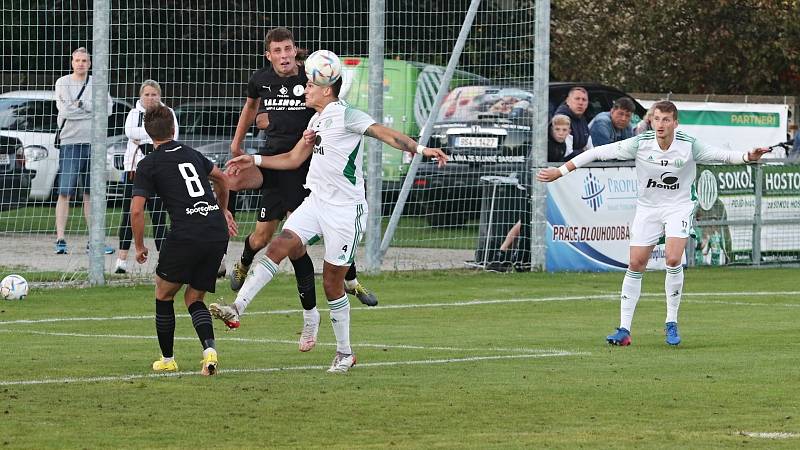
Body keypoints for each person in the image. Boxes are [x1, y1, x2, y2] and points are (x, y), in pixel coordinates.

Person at [220, 66, 448, 372]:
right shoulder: (316, 120)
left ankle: (344, 353)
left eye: (311, 84)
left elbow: (384, 133)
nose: (305, 88)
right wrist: (254, 158)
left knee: (331, 284)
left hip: (345, 211)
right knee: (278, 246)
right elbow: (293, 159)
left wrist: (420, 148)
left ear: (327, 90)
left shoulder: (346, 114)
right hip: (316, 202)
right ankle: (237, 308)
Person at [537, 100, 770, 347]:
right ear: (651, 121)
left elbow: (723, 155)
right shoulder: (640, 143)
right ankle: (624, 329)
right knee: (636, 263)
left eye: (666, 119)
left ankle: (671, 322)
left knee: (672, 258)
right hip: (648, 209)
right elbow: (596, 153)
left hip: (678, 207)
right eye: (656, 119)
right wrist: (560, 171)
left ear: (675, 123)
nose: (660, 124)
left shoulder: (689, 145)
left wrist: (748, 156)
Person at [219, 27, 377, 335]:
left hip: (303, 166)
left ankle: (344, 286)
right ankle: (240, 258)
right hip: (273, 163)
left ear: (295, 51)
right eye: (277, 51)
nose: (284, 56)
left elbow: (328, 107)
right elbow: (252, 108)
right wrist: (237, 144)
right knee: (258, 227)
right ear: (269, 56)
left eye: (288, 49)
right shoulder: (260, 80)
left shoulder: (310, 80)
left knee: (298, 241)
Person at [131, 104, 237, 375]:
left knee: (163, 294)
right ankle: (209, 352)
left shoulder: (148, 164)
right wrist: (222, 210)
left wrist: (140, 245)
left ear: (147, 133)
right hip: (215, 230)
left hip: (187, 231)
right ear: (174, 128)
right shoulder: (192, 153)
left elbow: (136, 210)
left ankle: (167, 359)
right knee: (194, 298)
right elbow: (222, 179)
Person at [53, 47, 115, 255]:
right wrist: (90, 108)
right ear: (72, 62)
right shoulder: (62, 83)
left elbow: (107, 110)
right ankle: (60, 239)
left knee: (92, 194)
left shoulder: (98, 82)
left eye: (84, 61)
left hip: (94, 144)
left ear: (89, 63)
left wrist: (79, 105)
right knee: (65, 192)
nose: (80, 64)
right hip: (70, 142)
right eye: (77, 60)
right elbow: (65, 110)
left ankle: (94, 241)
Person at [114, 80, 177, 274]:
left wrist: (142, 137)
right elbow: (129, 132)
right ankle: (121, 260)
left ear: (160, 96)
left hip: (160, 171)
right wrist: (151, 135)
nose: (150, 98)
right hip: (134, 170)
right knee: (129, 213)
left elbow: (172, 136)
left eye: (154, 94)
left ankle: (164, 261)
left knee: (159, 216)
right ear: (141, 96)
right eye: (147, 94)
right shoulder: (133, 114)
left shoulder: (168, 113)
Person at [553, 86, 592, 159]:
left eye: (584, 100)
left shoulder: (582, 119)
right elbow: (567, 154)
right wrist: (584, 152)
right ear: (568, 101)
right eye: (577, 99)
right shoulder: (561, 119)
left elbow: (590, 148)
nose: (580, 103)